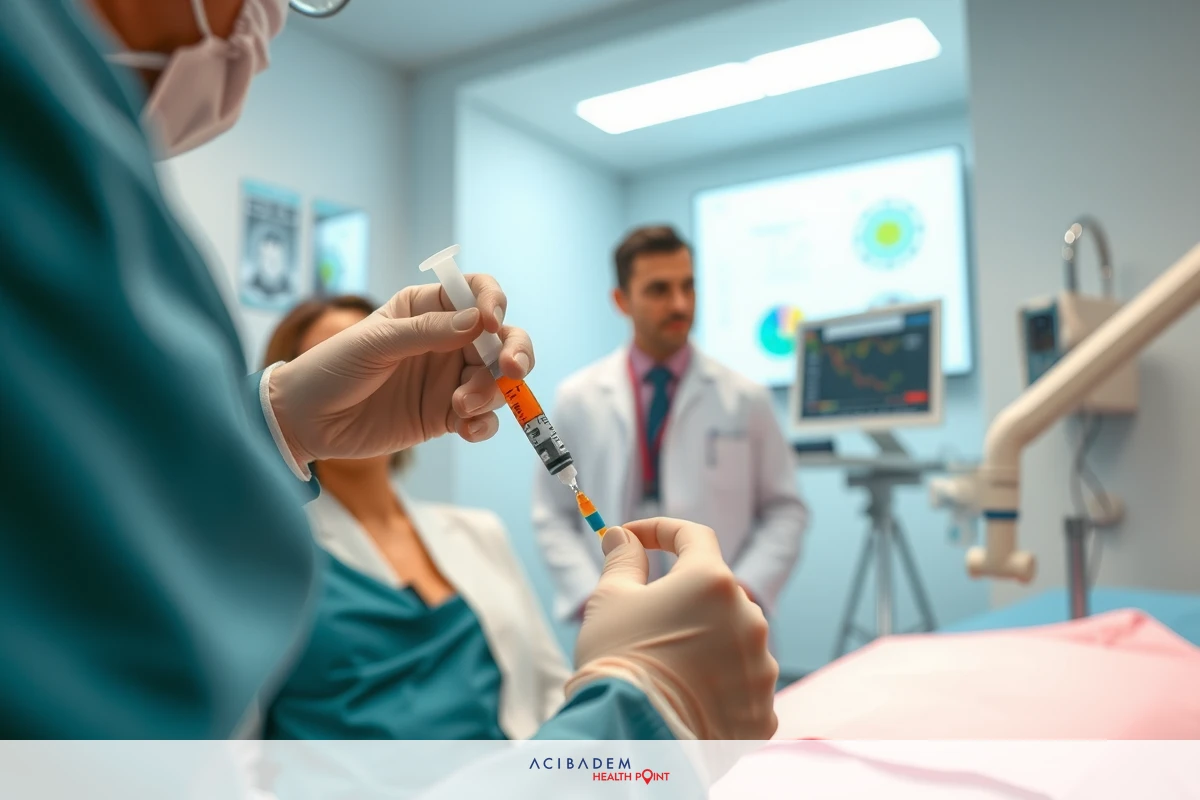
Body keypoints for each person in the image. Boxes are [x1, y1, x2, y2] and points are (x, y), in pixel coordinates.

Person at [0, 0, 777, 748]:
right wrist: (642, 719)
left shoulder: (456, 532)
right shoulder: (33, 112)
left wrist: (275, 422)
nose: (265, 25)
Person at [258, 296, 571, 739]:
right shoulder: (263, 558)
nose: (363, 389)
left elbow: (552, 695)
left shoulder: (478, 533)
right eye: (338, 366)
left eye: (375, 362)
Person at [533, 225, 809, 623]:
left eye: (688, 286)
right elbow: (553, 513)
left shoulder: (746, 398)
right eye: (659, 290)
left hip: (720, 618)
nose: (680, 304)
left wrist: (742, 589)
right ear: (621, 300)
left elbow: (785, 510)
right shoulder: (577, 397)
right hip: (616, 618)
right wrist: (591, 596)